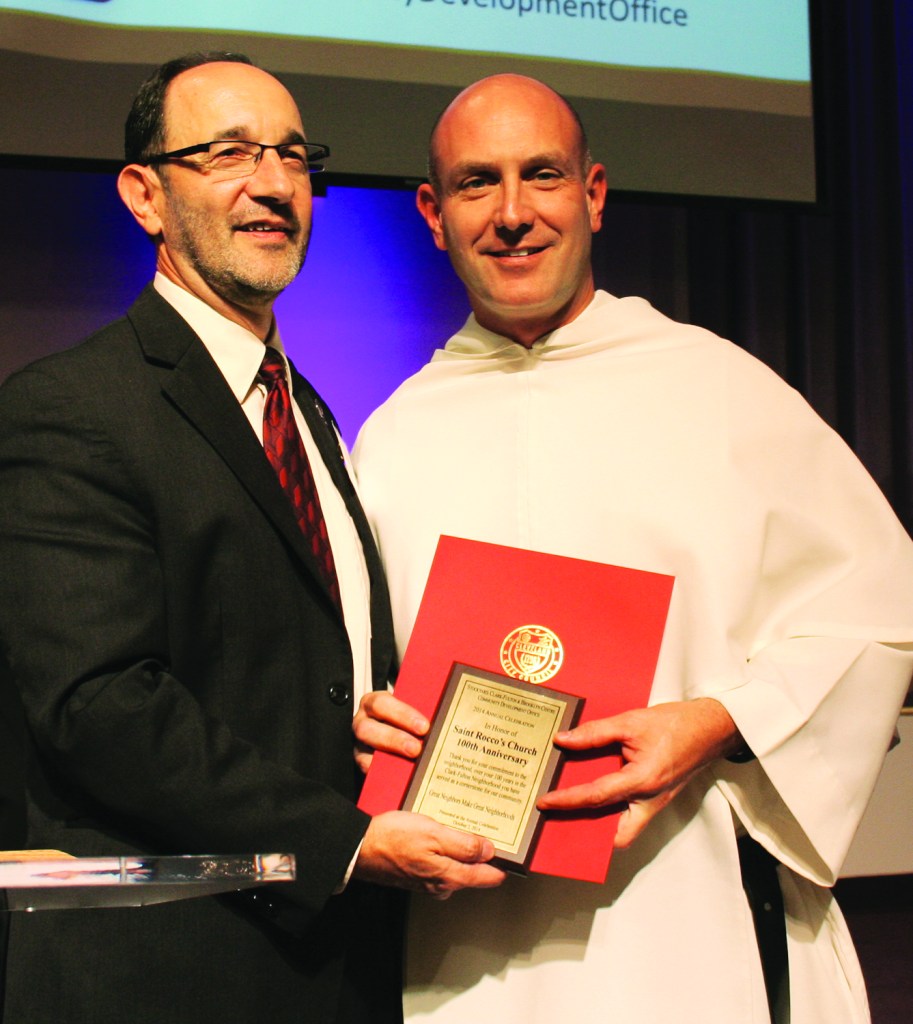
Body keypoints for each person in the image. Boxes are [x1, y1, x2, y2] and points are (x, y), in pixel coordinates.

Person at [352, 74, 913, 1024]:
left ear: (594, 194)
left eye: (543, 176)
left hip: (686, 915)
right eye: (476, 183)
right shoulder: (392, 437)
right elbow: (350, 671)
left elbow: (881, 616)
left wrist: (718, 719)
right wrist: (361, 719)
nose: (514, 214)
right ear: (433, 212)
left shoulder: (722, 393)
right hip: (462, 946)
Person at [0, 53, 503, 1024]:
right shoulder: (70, 408)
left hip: (329, 963)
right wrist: (346, 841)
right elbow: (99, 706)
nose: (273, 183)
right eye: (227, 153)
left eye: (290, 155)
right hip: (160, 970)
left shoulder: (311, 414)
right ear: (146, 195)